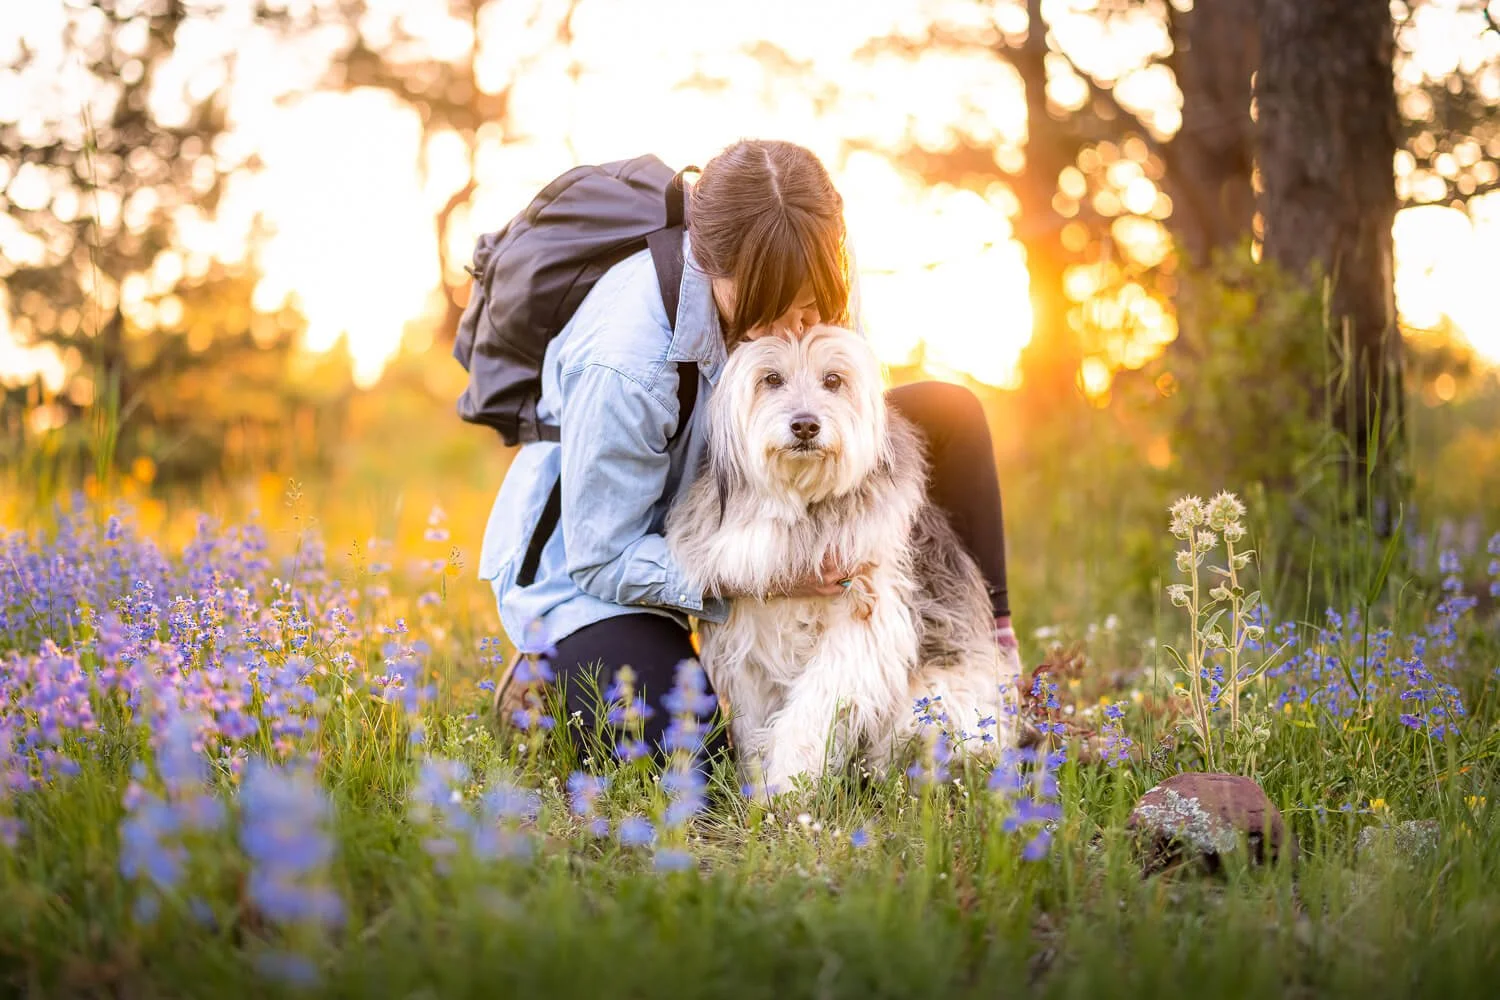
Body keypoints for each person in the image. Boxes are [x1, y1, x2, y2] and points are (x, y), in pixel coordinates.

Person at [479, 138, 1014, 757]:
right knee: (689, 764)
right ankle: (539, 672)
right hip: (603, 564)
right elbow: (602, 557)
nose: (793, 328)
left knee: (950, 414)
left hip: (738, 509)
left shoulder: (814, 260)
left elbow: (849, 397)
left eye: (812, 306)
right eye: (767, 307)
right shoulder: (625, 362)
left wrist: (861, 539)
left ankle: (994, 656)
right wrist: (768, 576)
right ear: (709, 265)